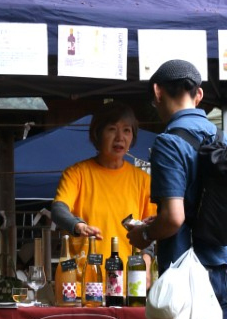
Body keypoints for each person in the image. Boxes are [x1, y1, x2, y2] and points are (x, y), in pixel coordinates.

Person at [128, 59, 227, 319]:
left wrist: (143, 234)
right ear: (199, 94)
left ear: (157, 92)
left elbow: (173, 217)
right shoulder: (225, 139)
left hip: (187, 271)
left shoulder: (169, 142)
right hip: (222, 265)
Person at [50, 105, 155, 255]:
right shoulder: (76, 174)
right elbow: (58, 209)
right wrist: (78, 225)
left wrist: (146, 263)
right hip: (83, 269)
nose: (120, 137)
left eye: (126, 130)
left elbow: (148, 233)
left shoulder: (143, 180)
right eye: (112, 129)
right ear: (97, 134)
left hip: (129, 269)